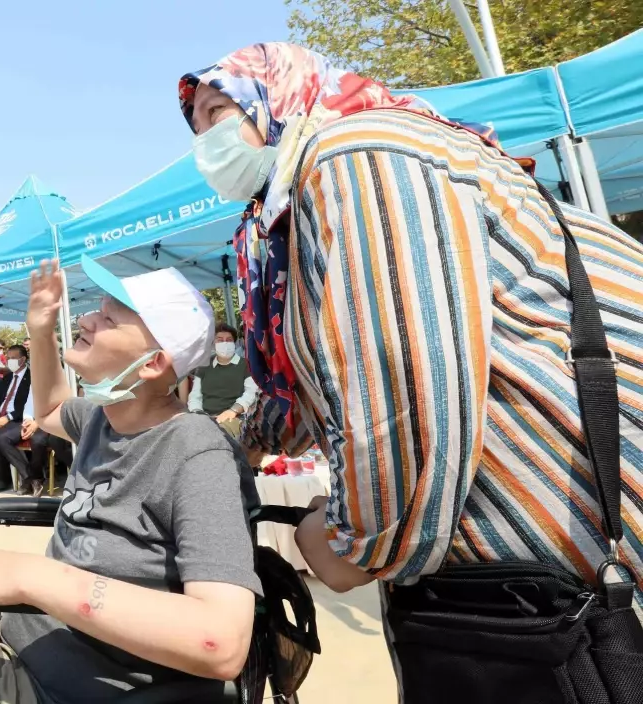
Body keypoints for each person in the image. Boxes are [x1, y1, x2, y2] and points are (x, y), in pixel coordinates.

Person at [177, 40, 643, 682]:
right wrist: (236, 442)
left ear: (279, 95)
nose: (205, 138)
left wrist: (351, 544)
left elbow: (407, 395)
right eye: (195, 123)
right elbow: (322, 385)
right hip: (537, 570)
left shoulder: (359, 154)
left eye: (218, 109)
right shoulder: (294, 209)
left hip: (583, 545)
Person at [0, 257, 262, 703]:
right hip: (34, 625)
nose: (85, 318)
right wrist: (42, 333)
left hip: (75, 678)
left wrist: (33, 577)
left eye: (108, 318)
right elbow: (48, 410)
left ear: (153, 362)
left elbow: (222, 643)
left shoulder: (199, 454)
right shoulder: (104, 418)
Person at [187, 323, 257, 438]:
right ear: (213, 344)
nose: (225, 343)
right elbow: (195, 395)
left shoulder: (245, 365)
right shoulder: (204, 365)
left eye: (229, 340)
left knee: (218, 436)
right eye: (220, 340)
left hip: (234, 418)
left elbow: (251, 393)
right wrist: (198, 414)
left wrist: (233, 411)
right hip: (205, 417)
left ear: (234, 343)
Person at [0, 344, 33, 492]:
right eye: (8, 358)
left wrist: (7, 418)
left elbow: (26, 405)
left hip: (17, 419)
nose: (9, 361)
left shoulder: (32, 377)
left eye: (13, 358)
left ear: (22, 359)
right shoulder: (8, 378)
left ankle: (21, 477)